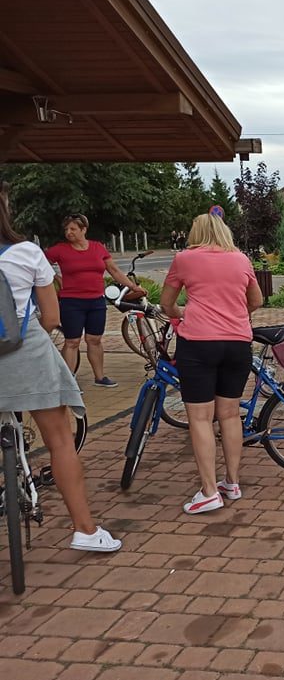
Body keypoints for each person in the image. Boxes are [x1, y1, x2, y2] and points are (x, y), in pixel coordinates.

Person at [0, 184, 120, 551]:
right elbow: (52, 318)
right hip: (26, 354)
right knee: (60, 440)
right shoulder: (26, 252)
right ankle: (85, 530)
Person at [160, 213, 263, 514]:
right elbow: (256, 301)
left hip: (198, 344)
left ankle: (208, 491)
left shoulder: (184, 259)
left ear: (197, 232)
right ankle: (232, 482)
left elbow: (166, 303)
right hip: (238, 344)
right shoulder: (241, 259)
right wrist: (232, 313)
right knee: (230, 415)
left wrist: (183, 313)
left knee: (201, 418)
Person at [45, 214, 144, 387]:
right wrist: (56, 277)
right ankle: (68, 382)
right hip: (72, 302)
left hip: (96, 301)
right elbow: (40, 262)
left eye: (73, 229)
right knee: (72, 341)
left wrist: (132, 287)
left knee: (94, 340)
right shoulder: (60, 249)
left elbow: (114, 270)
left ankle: (100, 377)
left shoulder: (98, 248)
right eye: (66, 229)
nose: (68, 232)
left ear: (83, 230)